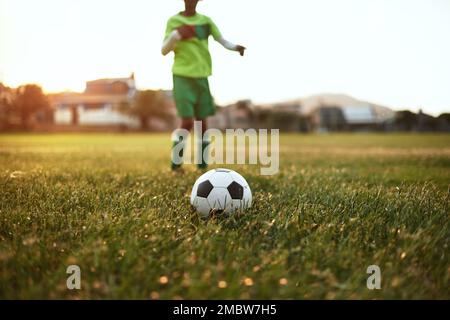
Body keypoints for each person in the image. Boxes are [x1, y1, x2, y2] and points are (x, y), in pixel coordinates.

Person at [162, 0, 246, 171]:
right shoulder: (174, 22)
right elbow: (164, 50)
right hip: (182, 76)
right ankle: (176, 164)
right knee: (186, 121)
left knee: (202, 123)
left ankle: (202, 165)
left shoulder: (205, 21)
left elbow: (221, 39)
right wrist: (176, 35)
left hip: (202, 76)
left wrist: (236, 47)